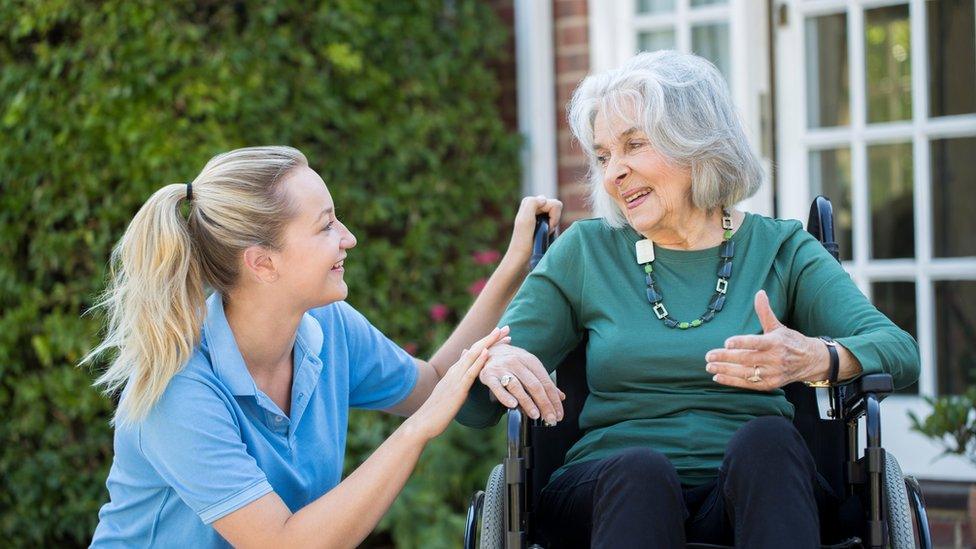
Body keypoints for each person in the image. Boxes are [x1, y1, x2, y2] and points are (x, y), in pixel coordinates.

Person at [457, 50, 920, 548]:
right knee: (641, 472)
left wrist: (819, 357)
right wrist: (494, 360)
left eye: (634, 144)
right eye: (604, 155)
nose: (614, 173)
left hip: (756, 495)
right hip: (610, 495)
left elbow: (899, 351)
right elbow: (475, 409)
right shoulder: (586, 253)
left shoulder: (781, 248)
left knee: (769, 444)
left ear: (698, 142)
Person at [83, 146, 563, 547]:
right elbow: (285, 544)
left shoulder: (326, 327)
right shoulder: (179, 390)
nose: (348, 238)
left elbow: (433, 383)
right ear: (263, 264)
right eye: (326, 225)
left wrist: (516, 263)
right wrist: (418, 430)